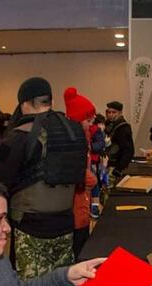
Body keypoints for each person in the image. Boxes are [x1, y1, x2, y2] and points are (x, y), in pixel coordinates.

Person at [0, 77, 87, 286]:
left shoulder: (21, 135)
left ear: (24, 103)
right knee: (61, 285)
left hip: (31, 228)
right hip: (65, 224)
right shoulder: (72, 130)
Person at [63, 87, 98, 258]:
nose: (91, 125)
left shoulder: (82, 137)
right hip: (76, 202)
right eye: (88, 120)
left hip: (82, 198)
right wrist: (91, 179)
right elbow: (77, 170)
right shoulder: (74, 140)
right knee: (79, 245)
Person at [103, 100, 134, 177]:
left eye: (114, 112)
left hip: (115, 164)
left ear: (120, 113)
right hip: (107, 162)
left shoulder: (123, 128)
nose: (110, 115)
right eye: (109, 112)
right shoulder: (106, 124)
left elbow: (128, 149)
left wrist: (119, 168)